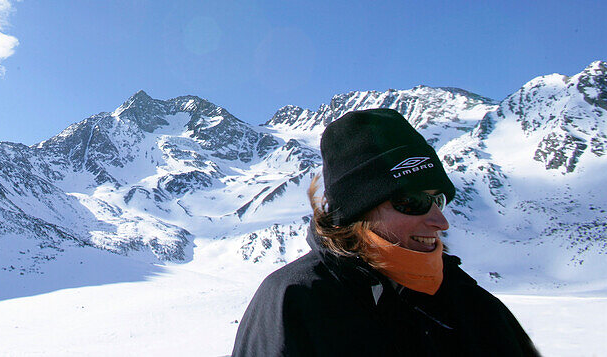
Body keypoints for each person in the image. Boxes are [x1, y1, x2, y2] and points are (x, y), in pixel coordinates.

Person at [231, 108, 540, 356]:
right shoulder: (296, 302)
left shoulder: (472, 305)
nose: (440, 221)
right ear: (359, 210)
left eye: (438, 200)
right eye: (414, 201)